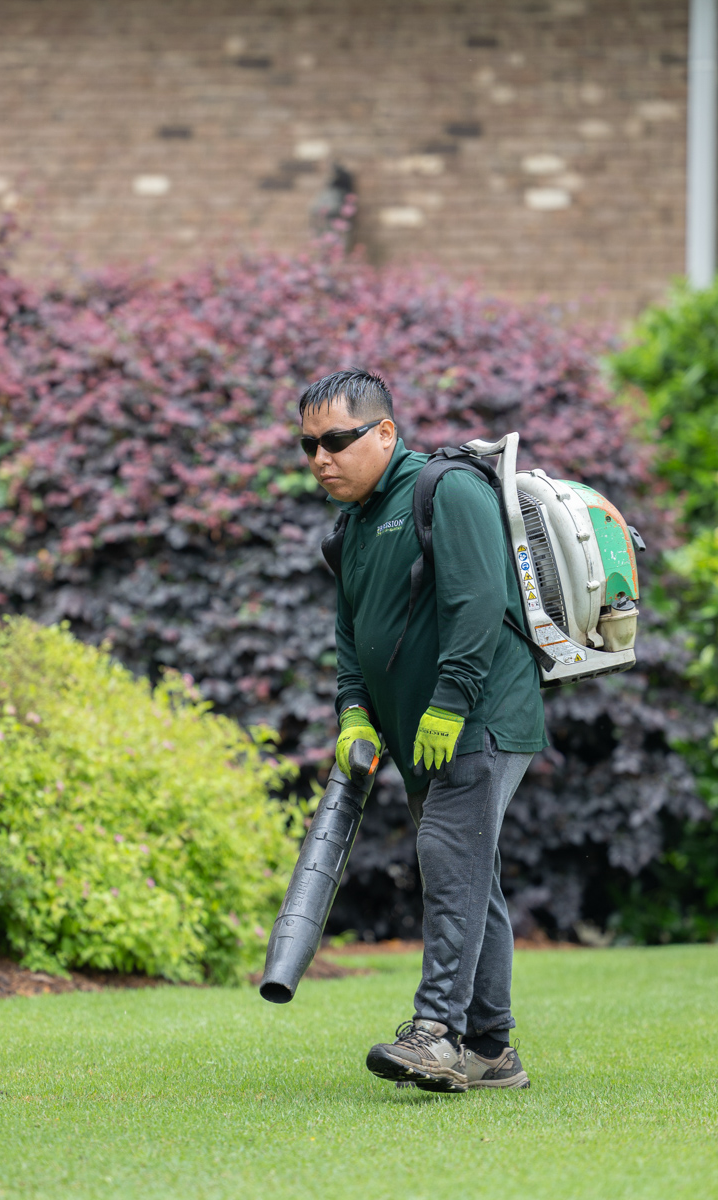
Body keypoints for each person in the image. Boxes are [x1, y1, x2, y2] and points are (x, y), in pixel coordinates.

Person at [299, 368, 546, 1093]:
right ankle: (493, 1053)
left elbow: (477, 602)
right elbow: (352, 633)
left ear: (384, 432)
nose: (320, 458)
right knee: (474, 880)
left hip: (482, 719)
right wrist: (352, 711)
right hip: (418, 738)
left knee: (445, 858)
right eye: (308, 445)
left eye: (336, 441)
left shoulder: (447, 490)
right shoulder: (351, 527)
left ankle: (436, 1031)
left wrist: (450, 700)